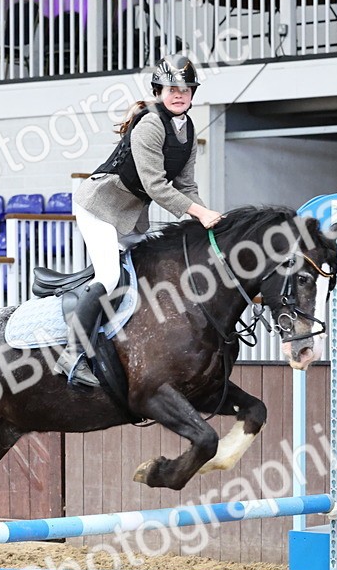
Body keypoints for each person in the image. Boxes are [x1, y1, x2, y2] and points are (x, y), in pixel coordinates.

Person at [63, 54, 223, 388]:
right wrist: (199, 214)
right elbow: (157, 187)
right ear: (159, 90)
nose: (179, 94)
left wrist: (208, 222)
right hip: (100, 206)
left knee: (148, 269)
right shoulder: (150, 124)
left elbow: (187, 186)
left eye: (186, 88)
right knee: (109, 276)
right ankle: (73, 354)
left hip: (130, 213)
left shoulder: (189, 129)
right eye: (172, 88)